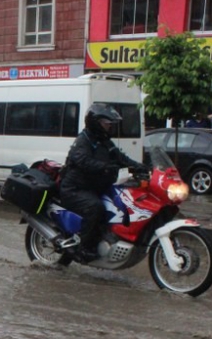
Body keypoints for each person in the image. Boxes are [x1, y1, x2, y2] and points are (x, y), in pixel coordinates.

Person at [59, 103, 146, 263]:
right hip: (75, 188)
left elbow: (120, 158)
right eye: (106, 124)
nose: (109, 127)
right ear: (95, 122)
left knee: (121, 204)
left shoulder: (105, 141)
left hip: (94, 187)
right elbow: (82, 160)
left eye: (110, 124)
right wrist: (105, 167)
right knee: (95, 207)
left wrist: (141, 167)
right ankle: (82, 248)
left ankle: (106, 240)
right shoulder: (83, 140)